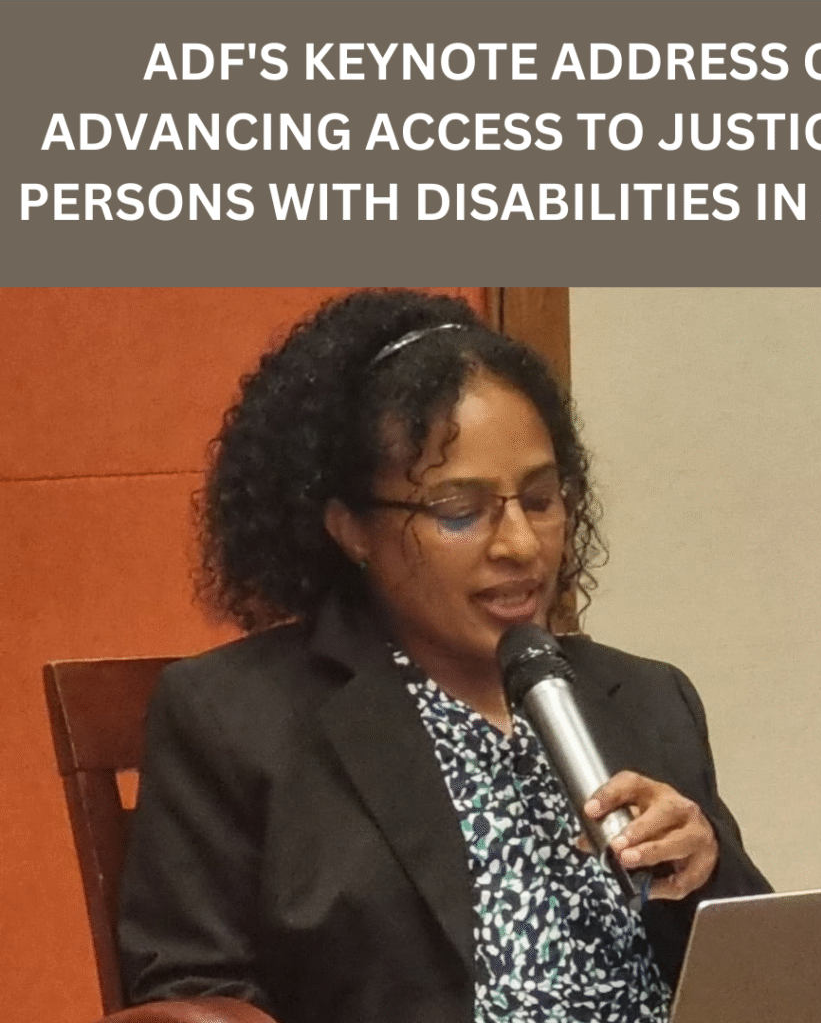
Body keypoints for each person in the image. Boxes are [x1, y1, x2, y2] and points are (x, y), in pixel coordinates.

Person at [118, 289, 770, 1023]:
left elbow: (774, 978)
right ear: (350, 528)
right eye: (460, 512)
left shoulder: (647, 697)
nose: (521, 545)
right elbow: (188, 996)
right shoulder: (238, 719)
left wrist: (706, 867)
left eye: (542, 499)